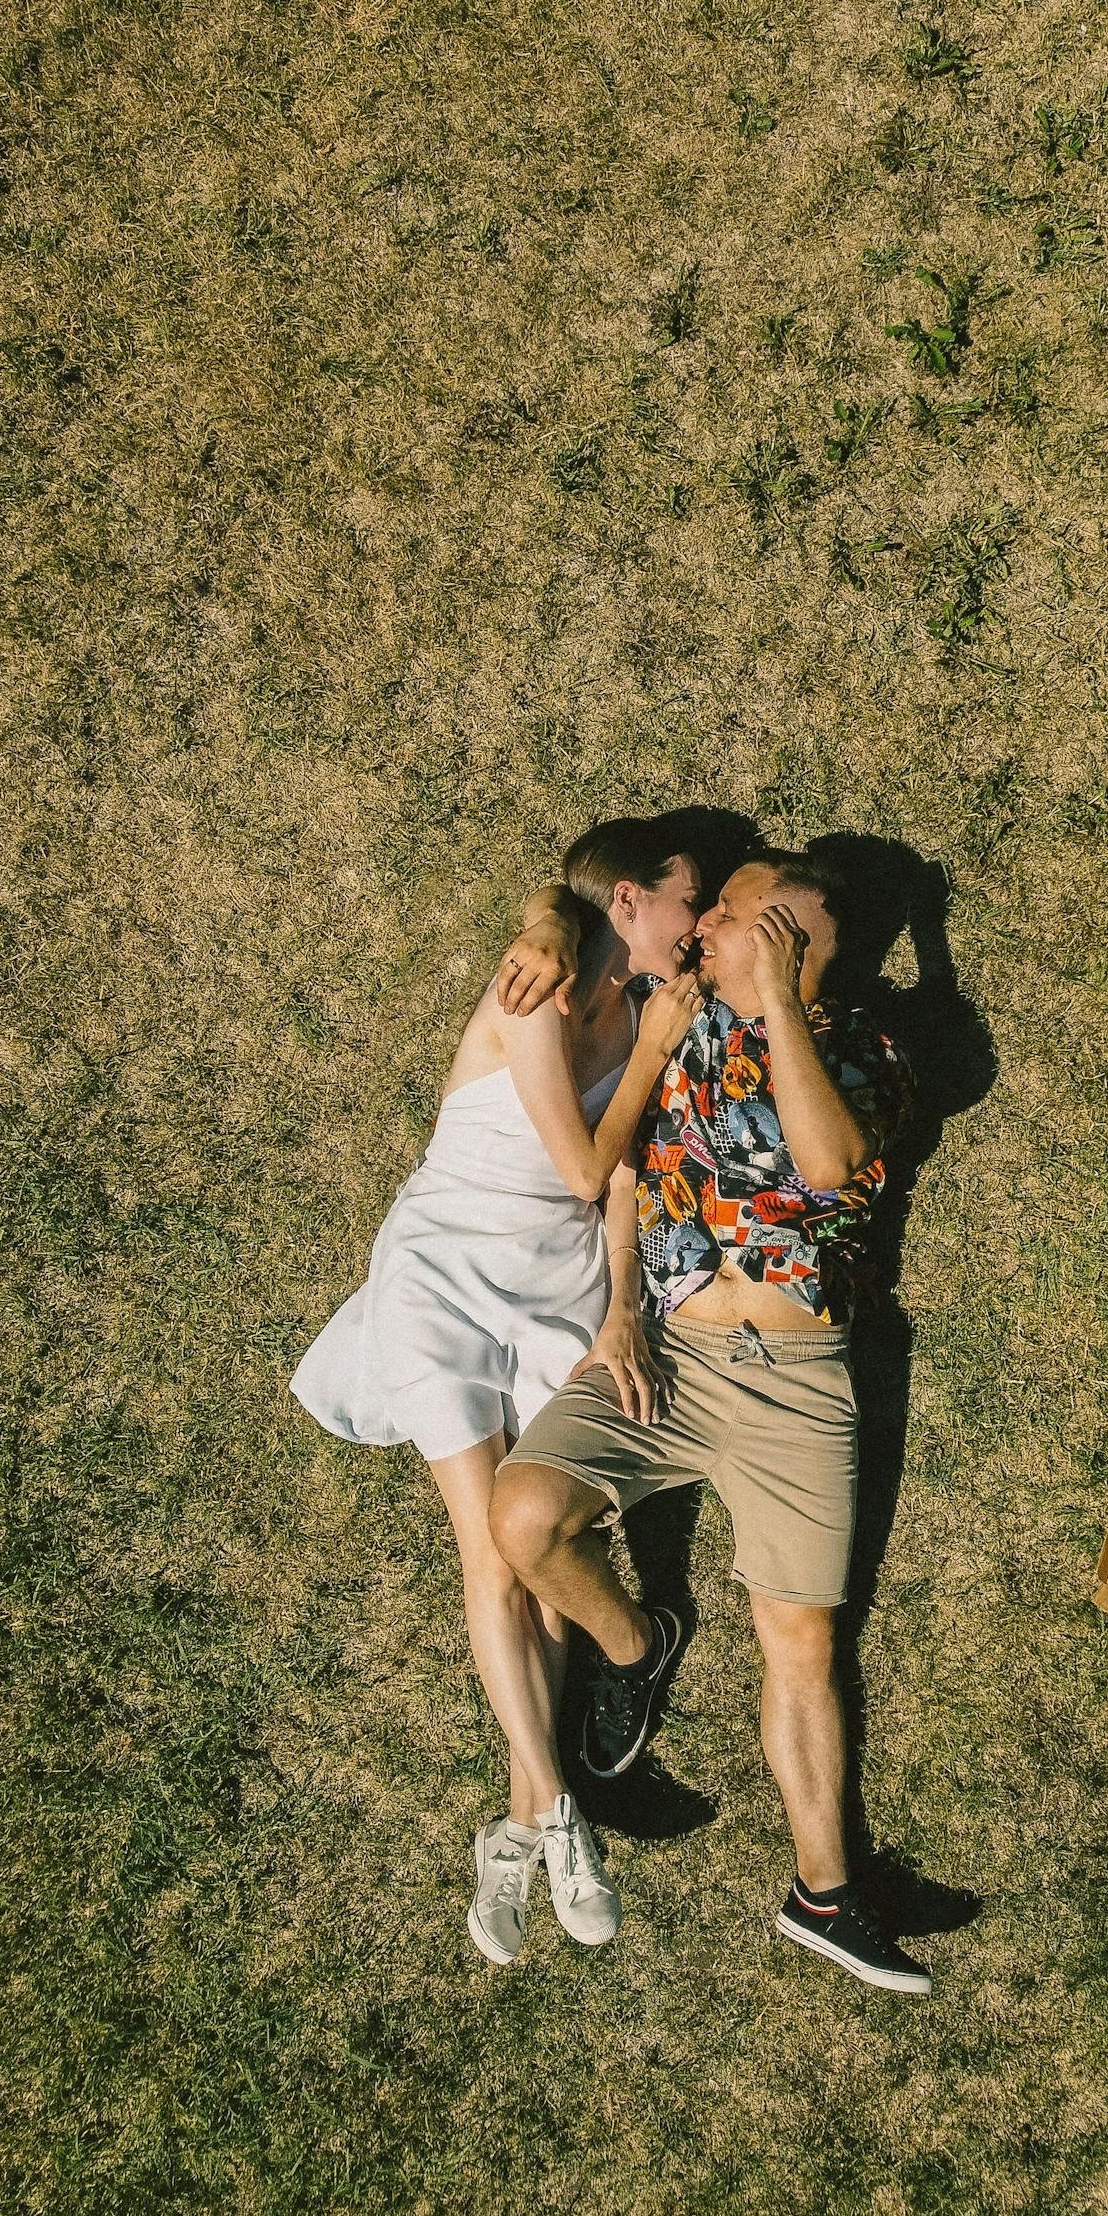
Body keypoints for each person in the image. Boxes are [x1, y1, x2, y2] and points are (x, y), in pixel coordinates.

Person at [489, 852, 935, 1996]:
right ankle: (638, 1649)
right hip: (671, 1352)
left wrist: (778, 999)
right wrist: (620, 1309)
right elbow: (628, 1169)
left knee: (804, 1643)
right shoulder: (674, 1019)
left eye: (733, 913)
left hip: (798, 1381)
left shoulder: (869, 1048)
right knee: (525, 1515)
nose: (709, 925)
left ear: (790, 941)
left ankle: (823, 1894)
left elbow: (830, 1164)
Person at [289, 824, 703, 1967]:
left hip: (557, 1287)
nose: (697, 920)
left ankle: (523, 1821)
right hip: (443, 1275)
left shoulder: (645, 1000)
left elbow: (620, 1181)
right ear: (629, 901)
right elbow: (581, 1164)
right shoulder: (535, 990)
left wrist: (620, 1304)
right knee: (488, 1549)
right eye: (687, 899)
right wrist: (639, 1030)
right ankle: (559, 1811)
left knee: (545, 1547)